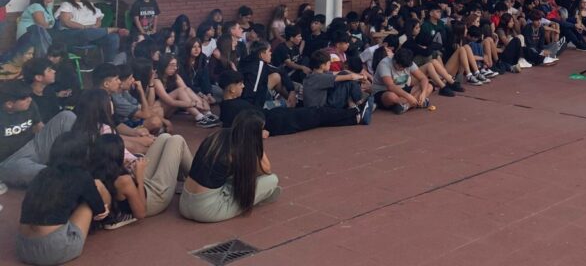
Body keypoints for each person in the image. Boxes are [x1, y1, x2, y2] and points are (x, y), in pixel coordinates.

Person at [16, 131, 110, 266]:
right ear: (83, 153)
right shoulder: (82, 176)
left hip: (23, 247)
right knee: (97, 186)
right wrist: (102, 209)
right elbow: (99, 209)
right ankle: (112, 219)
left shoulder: (42, 173)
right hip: (54, 250)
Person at [179, 110, 281, 223]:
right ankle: (264, 195)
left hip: (184, 203)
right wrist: (257, 142)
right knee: (272, 180)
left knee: (233, 176)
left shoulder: (217, 135)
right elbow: (266, 169)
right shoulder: (242, 149)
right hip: (206, 210)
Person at [217, 71, 369, 135]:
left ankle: (354, 119)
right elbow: (232, 128)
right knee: (318, 112)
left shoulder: (233, 103)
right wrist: (258, 132)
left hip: (277, 116)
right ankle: (354, 112)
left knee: (318, 118)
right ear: (231, 89)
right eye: (239, 84)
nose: (243, 86)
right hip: (279, 123)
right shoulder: (230, 108)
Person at [92, 129, 193, 226]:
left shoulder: (96, 171)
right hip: (154, 198)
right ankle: (197, 179)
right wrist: (139, 177)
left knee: (164, 137)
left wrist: (126, 168)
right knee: (177, 140)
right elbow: (141, 213)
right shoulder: (123, 181)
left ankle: (182, 180)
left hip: (140, 187)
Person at [0, 80, 77, 188]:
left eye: (29, 96)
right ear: (9, 104)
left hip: (33, 146)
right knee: (48, 175)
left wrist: (50, 140)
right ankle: (63, 177)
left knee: (67, 116)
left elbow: (39, 126)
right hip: (11, 161)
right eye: (24, 98)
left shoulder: (30, 105)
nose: (29, 99)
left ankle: (79, 157)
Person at [54, 0, 125, 62]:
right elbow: (65, 22)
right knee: (86, 33)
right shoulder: (66, 5)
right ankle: (114, 29)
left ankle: (109, 65)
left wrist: (97, 23)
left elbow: (98, 16)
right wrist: (85, 27)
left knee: (113, 38)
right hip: (72, 33)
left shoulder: (89, 4)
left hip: (92, 34)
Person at [371, 48, 433, 114]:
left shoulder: (409, 62)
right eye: (400, 66)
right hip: (383, 91)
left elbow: (423, 78)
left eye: (404, 67)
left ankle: (407, 106)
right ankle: (416, 101)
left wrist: (423, 93)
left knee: (429, 87)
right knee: (391, 96)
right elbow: (390, 86)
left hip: (402, 89)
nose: (401, 69)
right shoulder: (384, 64)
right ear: (395, 60)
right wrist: (409, 97)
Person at [3, 0, 55, 65]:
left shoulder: (47, 8)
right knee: (37, 29)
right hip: (27, 36)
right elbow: (42, 24)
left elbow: (51, 24)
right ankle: (45, 61)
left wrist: (48, 23)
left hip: (42, 35)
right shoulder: (35, 6)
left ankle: (50, 59)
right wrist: (49, 24)